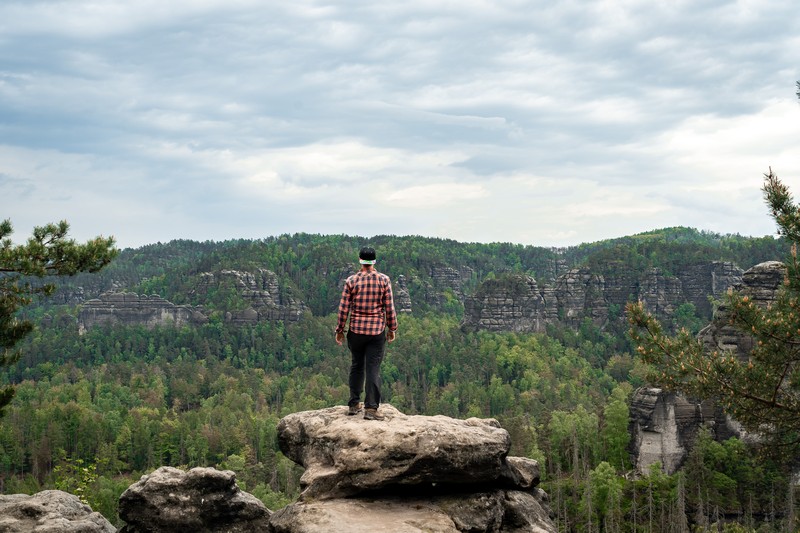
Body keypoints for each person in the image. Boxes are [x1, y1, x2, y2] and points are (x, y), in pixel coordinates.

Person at [335, 246, 398, 420]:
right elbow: (389, 308)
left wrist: (340, 330)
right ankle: (371, 409)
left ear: (360, 260)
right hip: (376, 331)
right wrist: (392, 329)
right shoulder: (384, 280)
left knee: (356, 366)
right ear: (374, 261)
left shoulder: (351, 281)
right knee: (373, 368)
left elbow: (343, 309)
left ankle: (354, 404)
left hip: (356, 331)